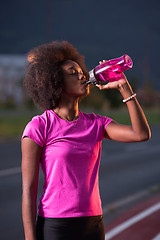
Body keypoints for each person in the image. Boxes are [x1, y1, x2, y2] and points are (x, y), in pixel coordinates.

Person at [21, 40, 151, 240]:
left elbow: (141, 134)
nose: (82, 75)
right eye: (72, 73)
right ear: (55, 81)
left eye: (80, 70)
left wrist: (124, 87)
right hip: (55, 225)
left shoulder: (97, 124)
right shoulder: (39, 126)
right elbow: (28, 192)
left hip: (93, 223)